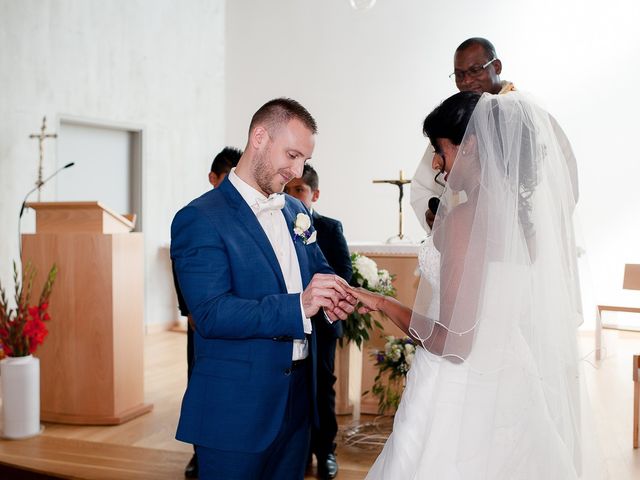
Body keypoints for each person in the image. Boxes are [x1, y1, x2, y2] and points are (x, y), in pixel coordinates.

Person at [352, 91, 602, 479]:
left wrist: (383, 303)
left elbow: (454, 342)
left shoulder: (465, 220)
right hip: (512, 381)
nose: (436, 162)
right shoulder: (525, 225)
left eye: (440, 149)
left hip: (459, 394)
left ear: (469, 145)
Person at [171, 97, 357, 480]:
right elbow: (211, 313)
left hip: (297, 401)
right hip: (236, 408)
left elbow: (319, 272)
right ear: (259, 137)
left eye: (304, 160)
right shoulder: (199, 218)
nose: (296, 170)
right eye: (291, 155)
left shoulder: (296, 211)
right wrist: (299, 306)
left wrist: (334, 299)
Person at [410, 37, 577, 231]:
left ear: (496, 66)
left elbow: (563, 184)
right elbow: (425, 185)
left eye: (474, 70)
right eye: (459, 74)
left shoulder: (531, 118)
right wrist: (434, 215)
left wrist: (529, 232)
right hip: (465, 232)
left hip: (522, 233)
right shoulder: (453, 124)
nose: (467, 81)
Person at [170, 146, 242, 479]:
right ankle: (200, 453)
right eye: (225, 179)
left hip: (236, 316)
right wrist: (190, 312)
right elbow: (182, 270)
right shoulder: (197, 215)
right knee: (200, 385)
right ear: (213, 178)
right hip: (201, 318)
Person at [285, 164, 352, 480]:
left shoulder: (329, 227)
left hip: (322, 323)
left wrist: (321, 298)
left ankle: (325, 450)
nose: (293, 196)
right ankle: (294, 447)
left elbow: (342, 274)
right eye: (289, 190)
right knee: (292, 386)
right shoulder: (278, 224)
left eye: (299, 190)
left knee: (323, 384)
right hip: (290, 320)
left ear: (315, 194)